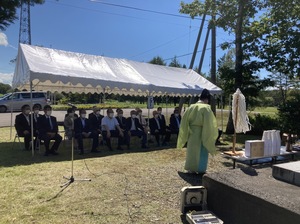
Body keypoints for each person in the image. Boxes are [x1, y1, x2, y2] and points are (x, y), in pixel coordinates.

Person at [177, 89, 218, 174]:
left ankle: (191, 168)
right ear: (206, 99)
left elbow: (184, 121)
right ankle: (200, 169)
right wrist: (210, 134)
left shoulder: (191, 107)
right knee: (201, 151)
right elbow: (209, 123)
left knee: (192, 151)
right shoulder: (206, 108)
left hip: (192, 132)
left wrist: (186, 132)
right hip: (202, 132)